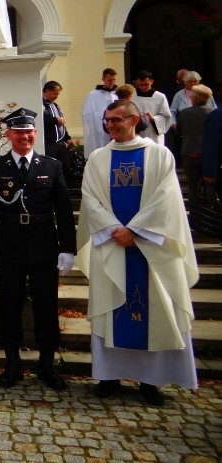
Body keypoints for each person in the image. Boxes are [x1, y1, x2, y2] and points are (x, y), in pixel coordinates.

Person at [76, 100, 198, 406]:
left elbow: (166, 200)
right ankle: (109, 376)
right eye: (107, 121)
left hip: (151, 249)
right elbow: (90, 200)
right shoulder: (98, 158)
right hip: (112, 245)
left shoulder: (159, 155)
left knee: (155, 310)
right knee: (109, 309)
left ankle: (151, 381)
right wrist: (114, 229)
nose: (110, 125)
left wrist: (137, 231)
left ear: (134, 119)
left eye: (116, 120)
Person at [0, 108, 76, 390]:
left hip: (44, 246)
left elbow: (64, 212)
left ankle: (46, 364)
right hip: (8, 246)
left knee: (46, 307)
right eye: (18, 132)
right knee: (9, 307)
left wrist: (68, 248)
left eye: (29, 131)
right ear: (9, 135)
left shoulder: (51, 166)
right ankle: (12, 364)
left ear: (35, 133)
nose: (24, 136)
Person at [176, 84, 214, 215]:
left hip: (189, 153)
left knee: (192, 187)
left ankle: (194, 217)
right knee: (210, 186)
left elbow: (178, 133)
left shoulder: (184, 113)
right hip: (208, 154)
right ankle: (211, 215)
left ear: (195, 99)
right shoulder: (212, 113)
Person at [42, 81, 75, 185]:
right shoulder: (41, 105)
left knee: (66, 168)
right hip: (49, 144)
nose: (56, 96)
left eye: (58, 94)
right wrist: (56, 121)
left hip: (60, 143)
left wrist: (68, 139)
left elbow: (62, 125)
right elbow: (41, 120)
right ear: (47, 91)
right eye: (55, 93)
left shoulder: (55, 106)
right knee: (50, 169)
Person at [81, 68, 118, 158]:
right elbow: (86, 115)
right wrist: (98, 125)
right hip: (98, 132)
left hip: (113, 131)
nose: (112, 82)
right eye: (109, 80)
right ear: (103, 79)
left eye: (114, 80)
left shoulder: (115, 95)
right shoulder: (92, 95)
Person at [133, 70, 172, 145]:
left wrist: (153, 119)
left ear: (152, 81)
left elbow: (166, 117)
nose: (143, 87)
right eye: (140, 85)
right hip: (137, 132)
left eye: (146, 84)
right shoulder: (133, 95)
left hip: (153, 133)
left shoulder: (160, 96)